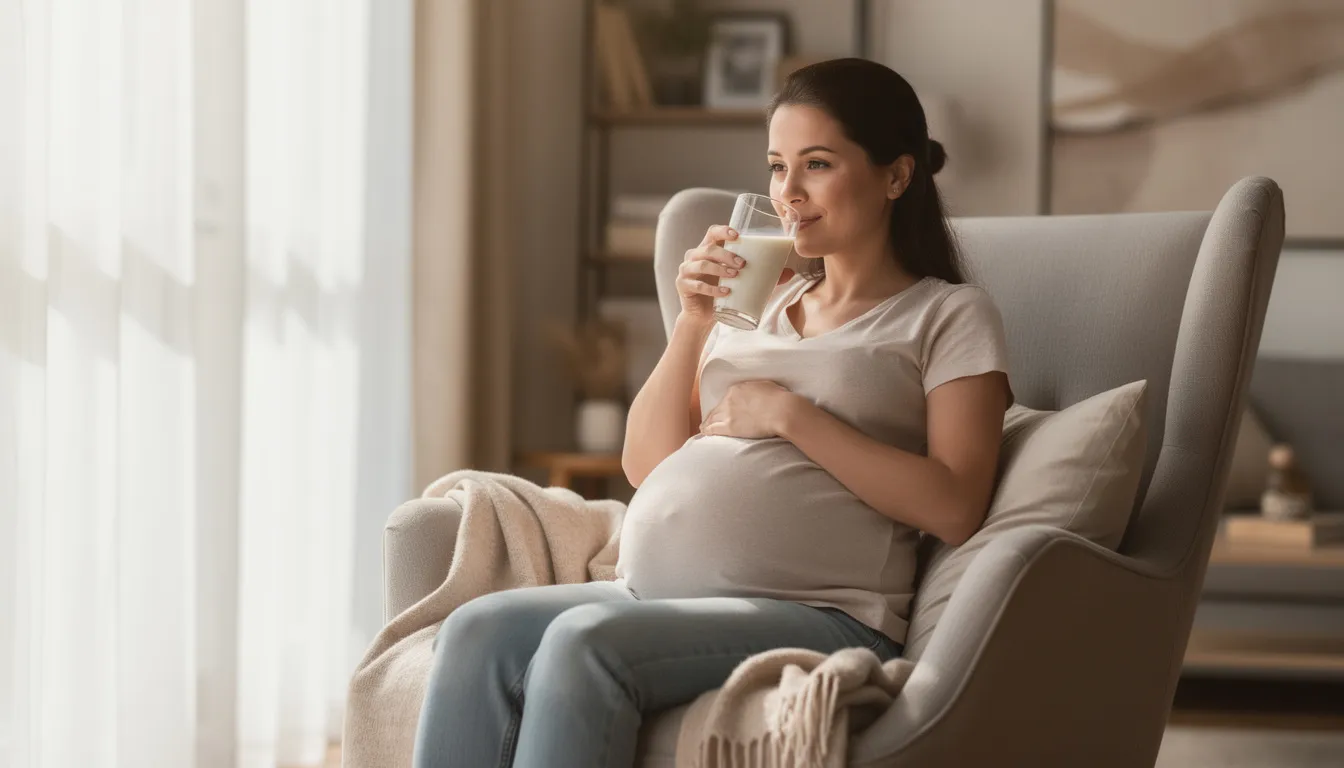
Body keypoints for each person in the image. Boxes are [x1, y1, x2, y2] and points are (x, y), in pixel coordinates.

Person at [412, 58, 1013, 768]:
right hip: (655, 595)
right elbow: (647, 463)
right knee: (478, 630)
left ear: (896, 176)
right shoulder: (759, 298)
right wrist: (694, 322)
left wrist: (791, 416)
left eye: (816, 165)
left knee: (583, 646)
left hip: (823, 612)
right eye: (776, 166)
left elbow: (955, 504)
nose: (787, 193)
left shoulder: (945, 314)